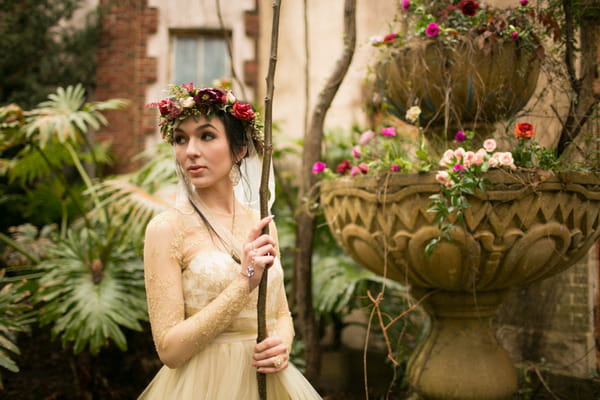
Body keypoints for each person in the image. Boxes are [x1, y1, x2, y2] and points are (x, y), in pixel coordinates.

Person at [139, 83, 322, 399]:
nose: (191, 151)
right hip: (201, 386)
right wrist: (244, 281)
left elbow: (280, 313)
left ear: (239, 150)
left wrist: (282, 344)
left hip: (269, 383)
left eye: (206, 136)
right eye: (181, 139)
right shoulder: (166, 229)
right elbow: (169, 350)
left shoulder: (261, 223)